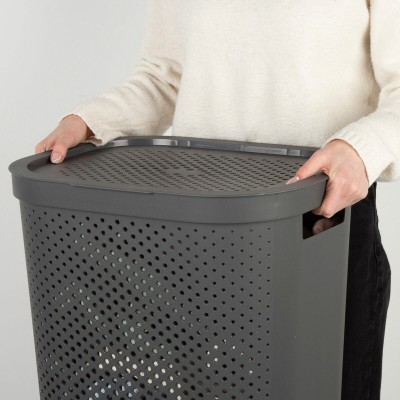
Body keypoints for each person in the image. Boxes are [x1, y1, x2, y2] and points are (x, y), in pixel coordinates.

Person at [35, 1, 397, 399]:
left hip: (320, 227)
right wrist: (90, 120)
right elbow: (164, 78)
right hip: (200, 233)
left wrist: (361, 148)